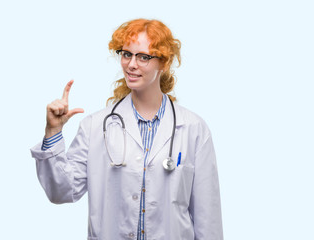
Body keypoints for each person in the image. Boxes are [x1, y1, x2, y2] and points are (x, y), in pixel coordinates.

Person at [30, 19, 223, 240]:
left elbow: (208, 220)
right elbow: (61, 191)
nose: (131, 64)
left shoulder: (193, 129)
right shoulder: (95, 127)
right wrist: (53, 133)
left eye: (143, 57)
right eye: (126, 54)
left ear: (164, 63)